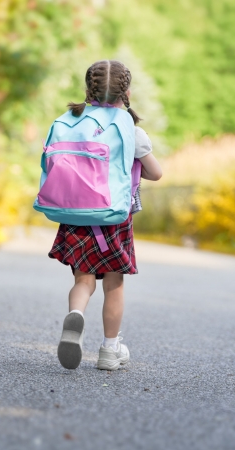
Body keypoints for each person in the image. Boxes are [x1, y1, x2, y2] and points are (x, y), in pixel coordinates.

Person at [47, 60, 163, 370]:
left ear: (89, 90)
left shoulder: (71, 120)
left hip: (74, 212)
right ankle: (111, 350)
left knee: (83, 279)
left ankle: (77, 315)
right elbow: (156, 173)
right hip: (113, 217)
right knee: (114, 283)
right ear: (127, 92)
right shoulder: (131, 129)